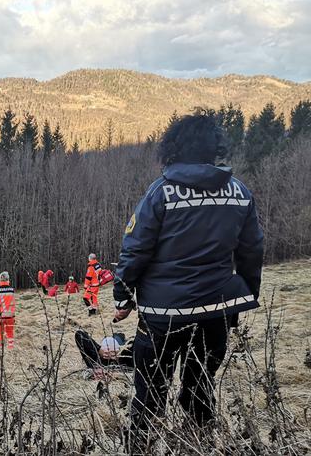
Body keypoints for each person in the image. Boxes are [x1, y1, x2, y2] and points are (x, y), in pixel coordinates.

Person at [112, 112, 264, 452]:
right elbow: (253, 250)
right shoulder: (240, 192)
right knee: (200, 387)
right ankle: (200, 445)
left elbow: (135, 247)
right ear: (214, 148)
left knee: (150, 393)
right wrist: (246, 294)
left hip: (163, 315)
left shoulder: (161, 193)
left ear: (173, 148)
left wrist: (122, 296)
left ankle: (142, 447)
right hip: (218, 310)